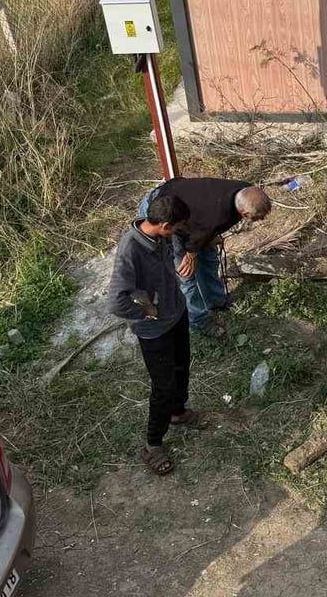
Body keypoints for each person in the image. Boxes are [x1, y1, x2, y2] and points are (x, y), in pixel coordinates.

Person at [108, 194, 202, 475]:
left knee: (182, 366)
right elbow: (115, 302)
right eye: (176, 228)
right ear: (163, 224)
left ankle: (178, 412)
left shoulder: (161, 235)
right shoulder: (130, 250)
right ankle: (153, 444)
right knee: (162, 387)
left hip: (177, 314)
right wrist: (146, 312)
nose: (178, 233)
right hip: (154, 331)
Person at [137, 177, 272, 336]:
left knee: (209, 259)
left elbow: (205, 228)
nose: (261, 220)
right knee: (186, 275)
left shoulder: (245, 192)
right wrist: (191, 255)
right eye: (259, 217)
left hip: (189, 215)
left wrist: (208, 237)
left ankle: (216, 301)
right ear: (244, 212)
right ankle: (199, 320)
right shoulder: (215, 215)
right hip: (164, 214)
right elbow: (201, 231)